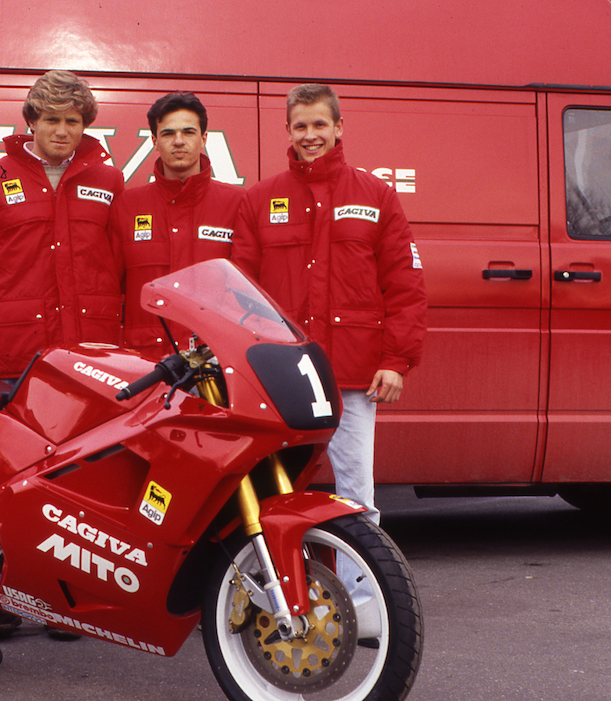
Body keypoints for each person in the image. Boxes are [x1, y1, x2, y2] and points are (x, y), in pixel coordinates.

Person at [231, 84, 426, 643]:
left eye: (320, 124)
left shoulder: (376, 195)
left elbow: (405, 284)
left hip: (352, 374)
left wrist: (397, 360)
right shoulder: (260, 199)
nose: (311, 135)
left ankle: (363, 608)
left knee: (356, 497)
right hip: (280, 376)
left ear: (339, 127)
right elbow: (240, 291)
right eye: (301, 126)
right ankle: (265, 599)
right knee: (268, 496)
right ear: (287, 131)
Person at [0, 69, 125, 639]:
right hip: (13, 360)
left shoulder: (110, 182)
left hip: (89, 362)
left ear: (86, 125)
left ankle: (65, 599)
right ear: (30, 123)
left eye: (73, 121)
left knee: (82, 484)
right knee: (7, 483)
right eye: (52, 120)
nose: (62, 131)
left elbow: (127, 268)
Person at [110, 91, 245, 355]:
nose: (179, 141)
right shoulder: (126, 206)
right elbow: (109, 291)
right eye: (168, 133)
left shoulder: (237, 203)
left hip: (215, 360)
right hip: (146, 361)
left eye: (189, 132)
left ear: (204, 139)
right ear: (154, 141)